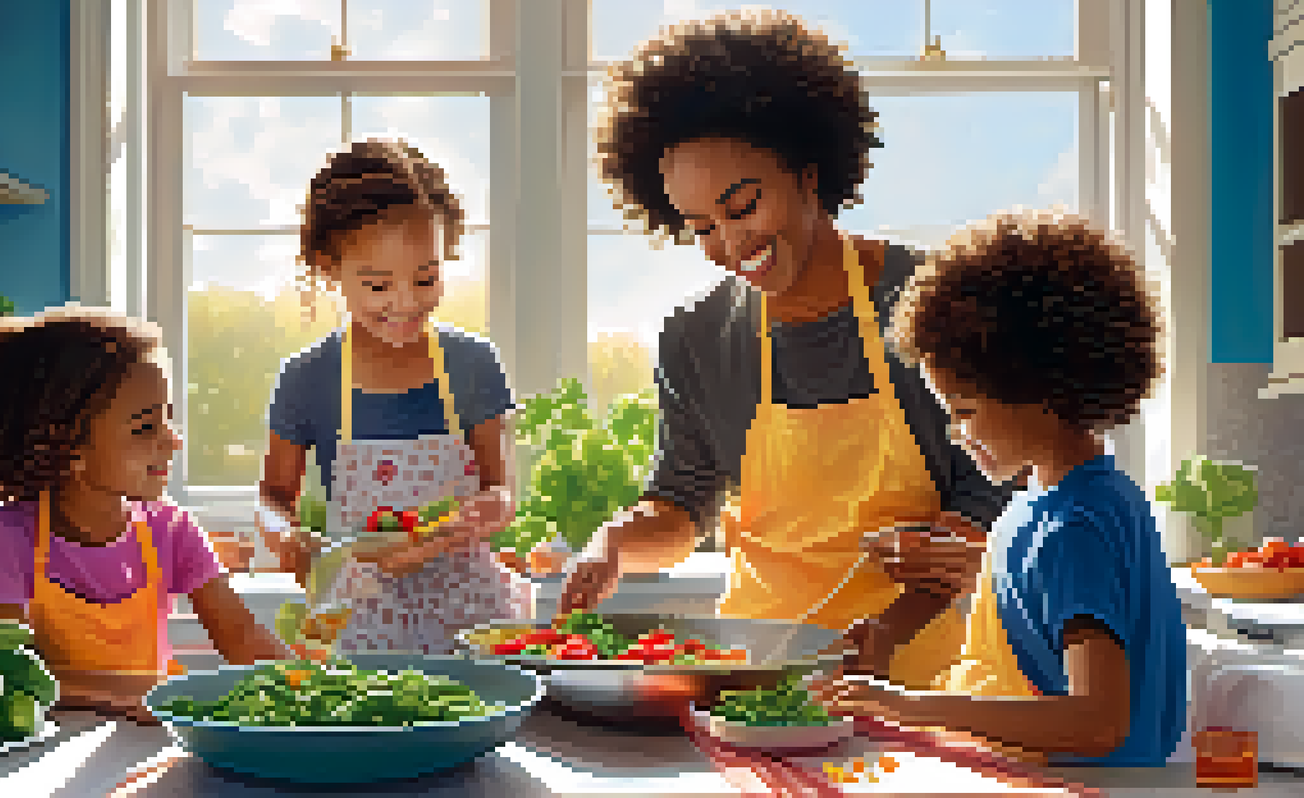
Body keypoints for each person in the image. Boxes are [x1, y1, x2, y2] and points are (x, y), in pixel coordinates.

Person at [557, 8, 1017, 688]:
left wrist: (887, 632)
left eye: (742, 207)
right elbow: (682, 503)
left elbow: (989, 495)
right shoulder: (695, 338)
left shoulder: (933, 297)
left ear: (808, 173)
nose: (730, 244)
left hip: (927, 679)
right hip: (759, 679)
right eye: (701, 227)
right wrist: (614, 545)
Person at [813, 209, 1185, 766]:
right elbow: (1030, 618)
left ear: (1042, 389)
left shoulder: (1073, 527)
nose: (957, 434)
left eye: (965, 411)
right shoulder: (1053, 502)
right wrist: (897, 630)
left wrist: (911, 707)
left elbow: (1098, 722)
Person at [0, 306, 292, 724]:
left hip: (150, 737)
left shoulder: (172, 529)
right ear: (70, 448)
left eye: (168, 418)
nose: (173, 440)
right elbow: (7, 669)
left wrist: (315, 692)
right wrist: (117, 694)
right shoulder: (9, 538)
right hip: (48, 745)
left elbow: (243, 638)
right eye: (145, 428)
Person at [255, 138, 530, 655]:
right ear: (329, 266)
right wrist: (291, 542)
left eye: (426, 279)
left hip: (470, 612)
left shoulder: (473, 363)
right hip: (359, 616)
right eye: (378, 286)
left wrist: (478, 515)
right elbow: (273, 497)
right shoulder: (306, 378)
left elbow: (501, 491)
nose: (405, 303)